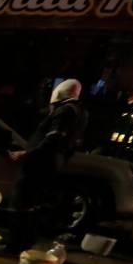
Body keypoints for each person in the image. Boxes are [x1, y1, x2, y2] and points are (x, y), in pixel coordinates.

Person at [9, 78, 87, 249]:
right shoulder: (80, 111)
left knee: (21, 203)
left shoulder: (65, 111)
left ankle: (16, 244)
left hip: (40, 163)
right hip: (51, 163)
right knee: (34, 205)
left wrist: (27, 154)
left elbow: (52, 139)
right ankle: (25, 242)